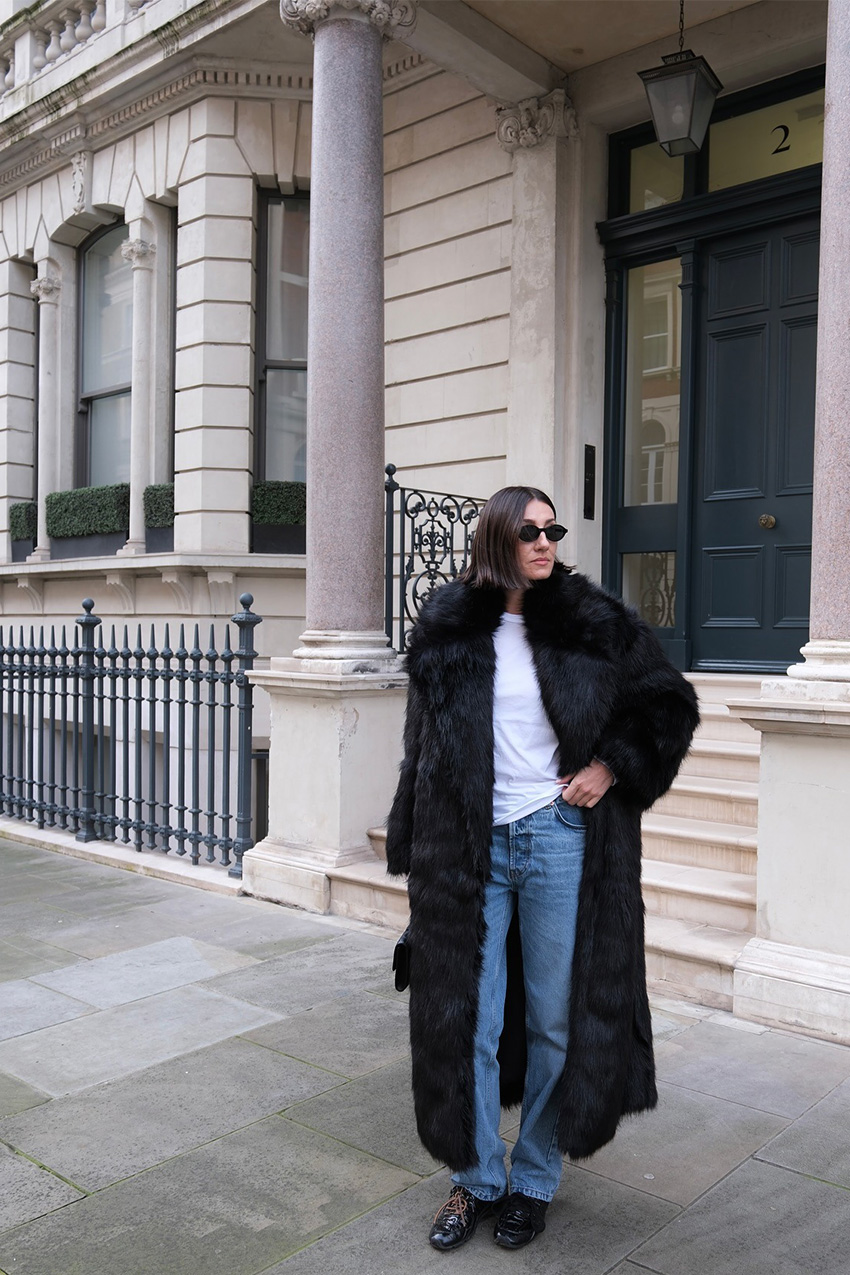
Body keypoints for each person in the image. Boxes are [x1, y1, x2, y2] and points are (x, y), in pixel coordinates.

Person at [385, 485, 699, 1252]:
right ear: (497, 537)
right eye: (530, 530)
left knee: (555, 1021)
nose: (545, 542)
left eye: (552, 529)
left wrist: (610, 766)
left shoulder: (592, 620)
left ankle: (532, 1177)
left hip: (558, 836)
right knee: (470, 1019)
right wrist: (410, 839)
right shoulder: (449, 624)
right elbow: (421, 745)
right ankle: (476, 1177)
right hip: (469, 848)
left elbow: (668, 704)